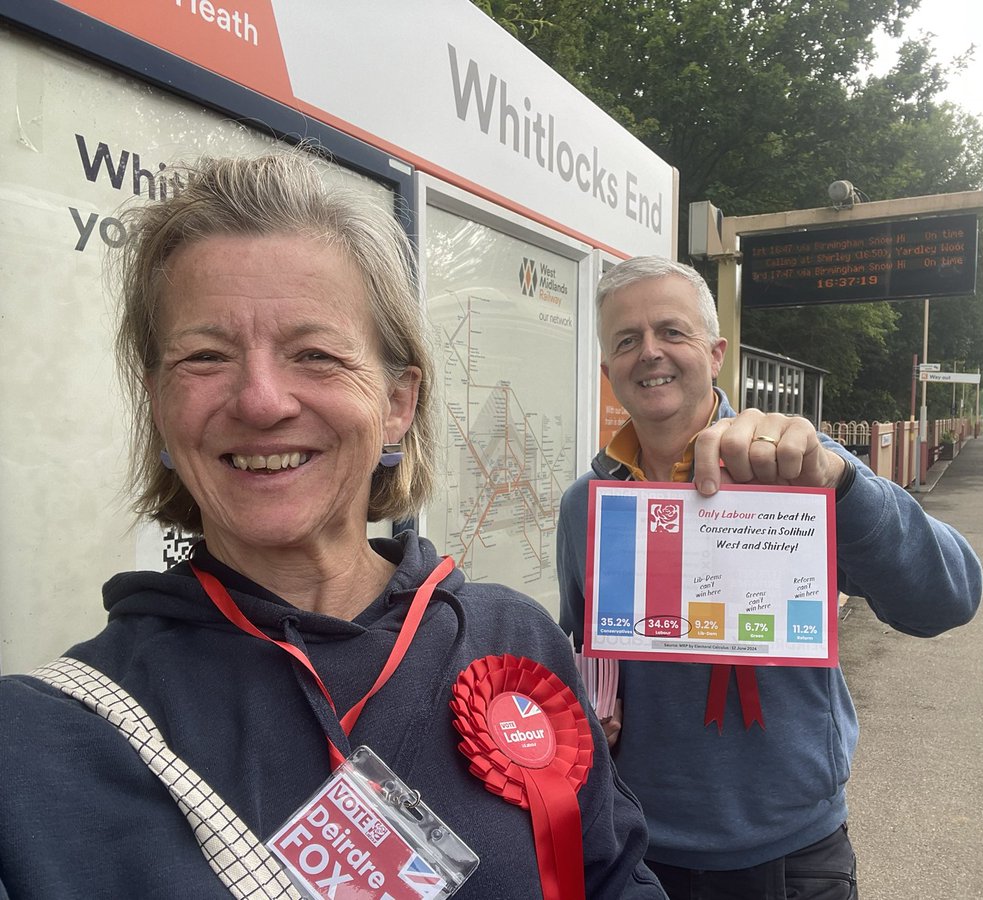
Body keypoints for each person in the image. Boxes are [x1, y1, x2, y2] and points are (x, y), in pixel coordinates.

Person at [0, 153, 665, 899]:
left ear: (397, 403)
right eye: (205, 356)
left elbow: (612, 877)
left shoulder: (512, 639)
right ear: (158, 403)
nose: (259, 401)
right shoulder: (44, 743)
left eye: (314, 354)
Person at [556, 256, 983, 899]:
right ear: (607, 371)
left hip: (792, 856)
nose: (649, 353)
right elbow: (583, 646)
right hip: (632, 850)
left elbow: (948, 599)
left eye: (671, 332)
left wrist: (844, 486)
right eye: (626, 340)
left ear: (716, 353)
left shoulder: (801, 470)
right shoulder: (587, 503)